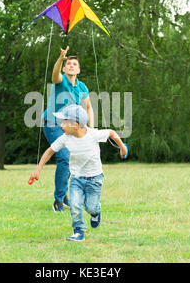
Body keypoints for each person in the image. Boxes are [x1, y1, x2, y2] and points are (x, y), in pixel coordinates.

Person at [31, 104, 127, 241]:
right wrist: (38, 169)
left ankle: (96, 212)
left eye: (64, 122)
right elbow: (50, 151)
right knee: (75, 204)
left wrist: (122, 148)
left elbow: (112, 133)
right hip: (76, 178)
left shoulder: (93, 134)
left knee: (91, 207)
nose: (61, 125)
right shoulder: (65, 137)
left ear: (75, 125)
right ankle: (78, 231)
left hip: (95, 179)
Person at [43, 46, 94, 212]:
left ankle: (64, 197)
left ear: (78, 69)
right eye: (69, 64)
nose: (71, 66)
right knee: (64, 156)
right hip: (52, 123)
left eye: (74, 64)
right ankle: (58, 201)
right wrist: (60, 58)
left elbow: (88, 108)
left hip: (69, 126)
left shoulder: (82, 87)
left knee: (73, 158)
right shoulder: (60, 81)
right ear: (65, 68)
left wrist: (91, 129)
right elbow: (54, 74)